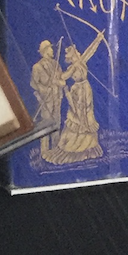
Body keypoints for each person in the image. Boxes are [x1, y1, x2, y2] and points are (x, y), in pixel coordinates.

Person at [44, 31, 104, 164]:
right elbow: (63, 77)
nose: (78, 52)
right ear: (72, 56)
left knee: (87, 116)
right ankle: (71, 148)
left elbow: (90, 50)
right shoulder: (73, 67)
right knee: (77, 117)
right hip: (77, 92)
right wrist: (60, 79)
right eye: (75, 52)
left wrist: (98, 39)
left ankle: (88, 148)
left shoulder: (82, 61)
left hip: (86, 90)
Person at [29, 38, 67, 153]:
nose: (52, 50)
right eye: (50, 48)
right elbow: (34, 84)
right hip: (46, 100)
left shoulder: (56, 65)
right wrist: (43, 92)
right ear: (45, 50)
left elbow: (62, 81)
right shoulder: (37, 67)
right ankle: (44, 151)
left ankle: (55, 149)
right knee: (46, 123)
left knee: (56, 122)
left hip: (57, 97)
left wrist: (58, 83)